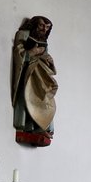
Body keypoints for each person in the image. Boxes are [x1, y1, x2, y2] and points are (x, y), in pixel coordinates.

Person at [11, 16, 57, 147]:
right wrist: (32, 52)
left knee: (45, 98)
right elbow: (18, 54)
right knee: (27, 98)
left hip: (40, 76)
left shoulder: (44, 41)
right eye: (41, 25)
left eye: (47, 28)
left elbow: (44, 59)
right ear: (34, 24)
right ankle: (27, 126)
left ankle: (42, 127)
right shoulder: (23, 34)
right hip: (27, 75)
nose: (44, 29)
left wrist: (49, 61)